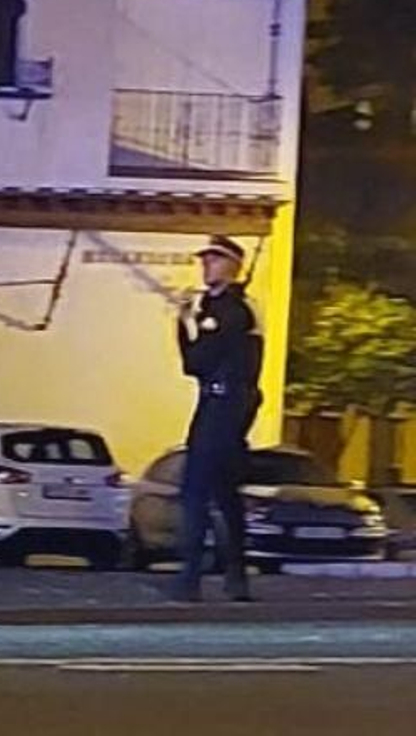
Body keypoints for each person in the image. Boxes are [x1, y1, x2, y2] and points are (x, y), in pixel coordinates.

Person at [172, 235, 264, 602]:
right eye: (206, 259)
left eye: (214, 259)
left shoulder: (228, 310)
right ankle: (236, 576)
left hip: (220, 407)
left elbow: (195, 363)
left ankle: (190, 578)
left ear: (231, 266)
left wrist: (183, 322)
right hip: (231, 408)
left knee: (194, 491)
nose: (205, 265)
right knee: (226, 496)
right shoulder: (234, 308)